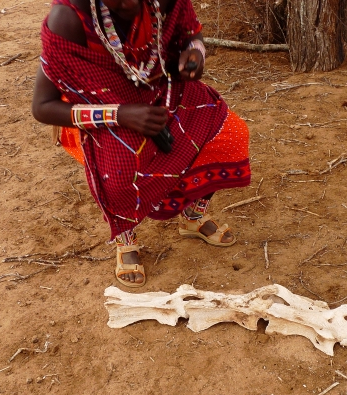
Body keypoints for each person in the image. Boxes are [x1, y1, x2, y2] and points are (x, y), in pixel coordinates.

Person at [31, 0, 251, 287]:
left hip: (162, 90)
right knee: (121, 169)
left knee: (229, 135)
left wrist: (194, 54)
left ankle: (193, 216)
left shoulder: (165, 1)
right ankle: (126, 239)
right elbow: (42, 107)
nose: (129, 2)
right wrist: (120, 115)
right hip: (104, 110)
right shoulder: (69, 18)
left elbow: (191, 34)